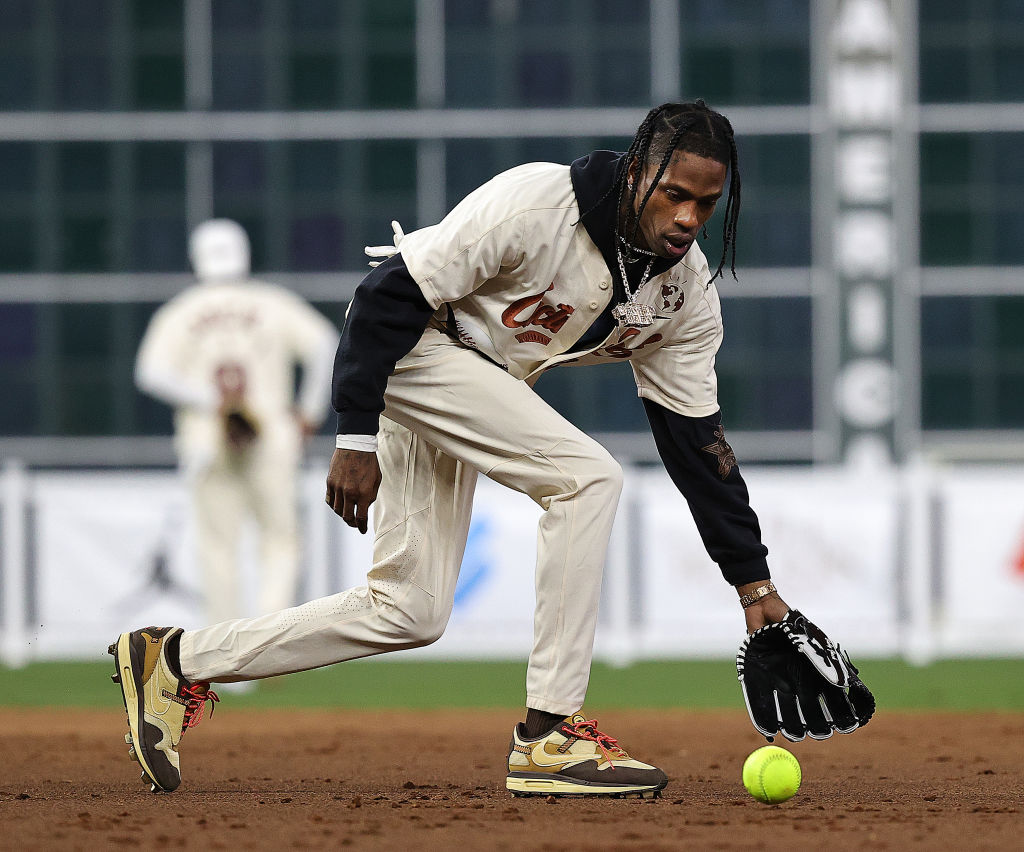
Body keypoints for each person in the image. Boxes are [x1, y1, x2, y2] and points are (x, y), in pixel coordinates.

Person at [111, 102, 872, 799]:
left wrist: (755, 589)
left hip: (470, 380)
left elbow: (697, 447)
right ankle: (549, 736)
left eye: (706, 203)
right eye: (674, 193)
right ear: (638, 170)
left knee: (409, 611)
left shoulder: (684, 298)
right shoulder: (539, 205)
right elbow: (383, 297)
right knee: (587, 480)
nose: (688, 217)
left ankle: (173, 661)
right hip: (412, 346)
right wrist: (355, 433)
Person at [134, 219, 339, 625]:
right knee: (280, 541)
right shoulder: (273, 302)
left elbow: (150, 373)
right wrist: (308, 412)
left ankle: (226, 644)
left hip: (205, 438)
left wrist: (210, 401)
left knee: (217, 548)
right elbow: (325, 345)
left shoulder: (181, 311)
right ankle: (271, 635)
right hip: (271, 434)